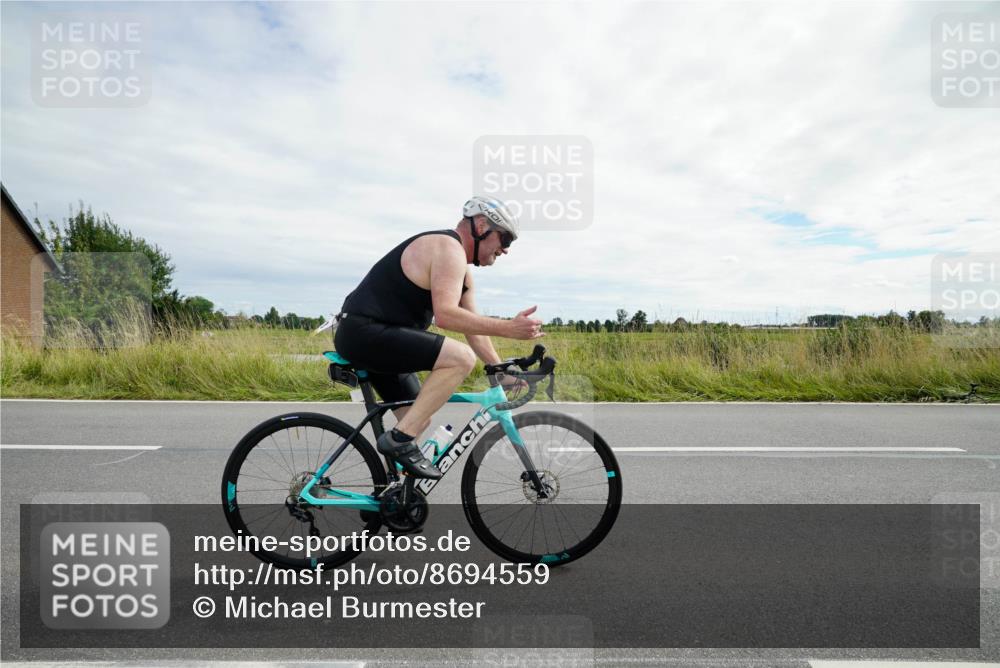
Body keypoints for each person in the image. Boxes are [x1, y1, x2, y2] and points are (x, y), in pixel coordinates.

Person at [334, 196, 545, 479]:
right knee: (459, 359)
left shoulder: (462, 271)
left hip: (379, 337)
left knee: (418, 418)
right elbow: (446, 316)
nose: (505, 250)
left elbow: (474, 330)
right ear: (481, 226)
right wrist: (509, 328)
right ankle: (398, 441)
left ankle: (389, 499)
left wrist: (500, 370)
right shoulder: (448, 249)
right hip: (365, 332)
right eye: (504, 239)